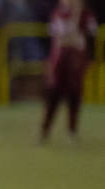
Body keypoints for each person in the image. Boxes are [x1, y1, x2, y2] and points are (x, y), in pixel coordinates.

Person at [39, 0, 98, 143]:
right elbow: (60, 38)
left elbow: (89, 37)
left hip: (77, 62)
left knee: (75, 95)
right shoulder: (59, 13)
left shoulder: (86, 15)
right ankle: (45, 131)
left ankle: (72, 131)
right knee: (54, 95)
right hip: (60, 61)